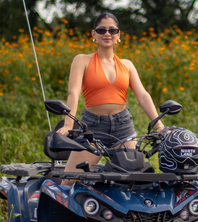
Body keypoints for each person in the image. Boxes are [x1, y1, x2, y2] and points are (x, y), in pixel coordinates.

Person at [56, 13, 165, 175]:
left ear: (118, 35)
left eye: (112, 30)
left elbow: (142, 95)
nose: (107, 34)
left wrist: (160, 126)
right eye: (101, 30)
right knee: (70, 179)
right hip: (92, 128)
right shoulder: (82, 60)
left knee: (131, 179)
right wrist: (67, 125)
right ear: (94, 34)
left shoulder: (127, 65)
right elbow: (73, 93)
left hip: (123, 127)